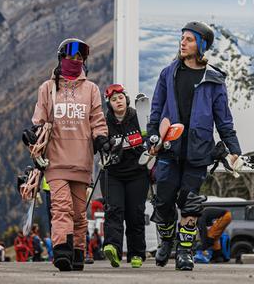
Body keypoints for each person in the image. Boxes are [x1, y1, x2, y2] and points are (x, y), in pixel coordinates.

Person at [147, 21, 243, 271]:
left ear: (201, 45)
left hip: (199, 152)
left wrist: (234, 150)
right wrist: (152, 137)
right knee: (164, 202)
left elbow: (224, 119)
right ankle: (167, 240)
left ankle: (185, 253)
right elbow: (156, 110)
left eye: (189, 39)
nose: (183, 43)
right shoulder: (168, 73)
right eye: (182, 38)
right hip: (169, 150)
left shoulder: (214, 79)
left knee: (190, 203)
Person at [30, 38, 110, 271]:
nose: (75, 61)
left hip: (82, 160)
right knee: (61, 206)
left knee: (78, 212)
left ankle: (77, 253)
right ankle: (62, 252)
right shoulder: (48, 88)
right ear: (61, 58)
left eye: (79, 58)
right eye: (71, 57)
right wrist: (34, 134)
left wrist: (102, 139)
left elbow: (97, 121)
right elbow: (40, 120)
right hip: (55, 159)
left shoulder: (91, 89)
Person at [101, 84, 150, 268]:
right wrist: (103, 144)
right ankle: (112, 247)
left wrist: (148, 143)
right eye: (114, 100)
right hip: (113, 173)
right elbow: (97, 139)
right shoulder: (104, 121)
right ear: (110, 104)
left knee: (135, 213)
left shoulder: (137, 117)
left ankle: (136, 253)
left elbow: (150, 136)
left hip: (137, 173)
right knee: (114, 209)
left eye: (120, 98)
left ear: (126, 100)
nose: (118, 101)